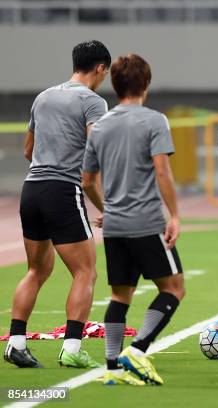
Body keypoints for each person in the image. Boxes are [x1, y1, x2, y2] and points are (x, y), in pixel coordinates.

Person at [4, 40, 110, 369]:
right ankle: (73, 348)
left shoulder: (44, 96)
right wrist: (106, 207)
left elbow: (27, 150)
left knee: (37, 269)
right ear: (100, 69)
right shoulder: (94, 102)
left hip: (32, 189)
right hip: (62, 191)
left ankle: (15, 343)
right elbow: (95, 156)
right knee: (86, 271)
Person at [82, 54, 185, 385]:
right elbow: (162, 170)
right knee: (174, 288)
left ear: (115, 84)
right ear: (146, 84)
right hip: (147, 221)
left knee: (120, 296)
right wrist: (175, 216)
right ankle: (138, 348)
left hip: (114, 226)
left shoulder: (101, 126)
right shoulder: (154, 120)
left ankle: (111, 369)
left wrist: (107, 209)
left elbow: (87, 181)